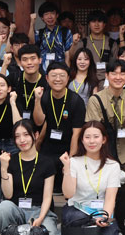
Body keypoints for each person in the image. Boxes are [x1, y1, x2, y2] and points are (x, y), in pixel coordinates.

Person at [0, 119, 61, 235]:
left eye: (26, 135)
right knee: (3, 208)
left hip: (39, 211)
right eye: (17, 136)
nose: (22, 140)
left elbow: (47, 197)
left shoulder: (47, 162)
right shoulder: (11, 160)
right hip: (17, 211)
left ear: (35, 135)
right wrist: (4, 168)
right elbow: (8, 194)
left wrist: (40, 219)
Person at [61, 122, 121, 235]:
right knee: (75, 218)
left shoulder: (113, 166)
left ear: (104, 139)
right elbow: (68, 194)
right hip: (78, 210)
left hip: (101, 211)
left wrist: (104, 217)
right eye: (87, 137)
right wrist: (67, 169)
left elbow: (110, 199)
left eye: (96, 137)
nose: (91, 141)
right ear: (82, 140)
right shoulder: (74, 162)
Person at [31, 62, 86, 193]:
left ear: (68, 78)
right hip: (48, 146)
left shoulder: (76, 101)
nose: (58, 79)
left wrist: (71, 160)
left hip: (67, 146)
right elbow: (38, 122)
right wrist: (37, 100)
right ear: (47, 78)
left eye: (62, 75)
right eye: (54, 75)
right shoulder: (44, 97)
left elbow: (76, 134)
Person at [85, 59, 125, 170]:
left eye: (122, 74)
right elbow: (93, 130)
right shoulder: (96, 100)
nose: (118, 77)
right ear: (106, 75)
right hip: (103, 153)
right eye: (114, 73)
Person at [68, 10, 117, 83]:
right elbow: (72, 57)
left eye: (99, 21)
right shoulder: (83, 42)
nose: (96, 25)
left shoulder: (111, 43)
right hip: (87, 80)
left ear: (104, 24)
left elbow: (115, 64)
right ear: (89, 24)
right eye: (93, 21)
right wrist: (74, 44)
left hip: (106, 81)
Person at [34, 1, 73, 70]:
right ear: (42, 18)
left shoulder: (65, 32)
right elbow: (31, 42)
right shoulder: (39, 33)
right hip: (43, 71)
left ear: (57, 15)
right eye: (46, 14)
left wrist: (67, 72)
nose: (50, 17)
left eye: (52, 13)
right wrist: (32, 22)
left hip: (60, 71)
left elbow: (68, 55)